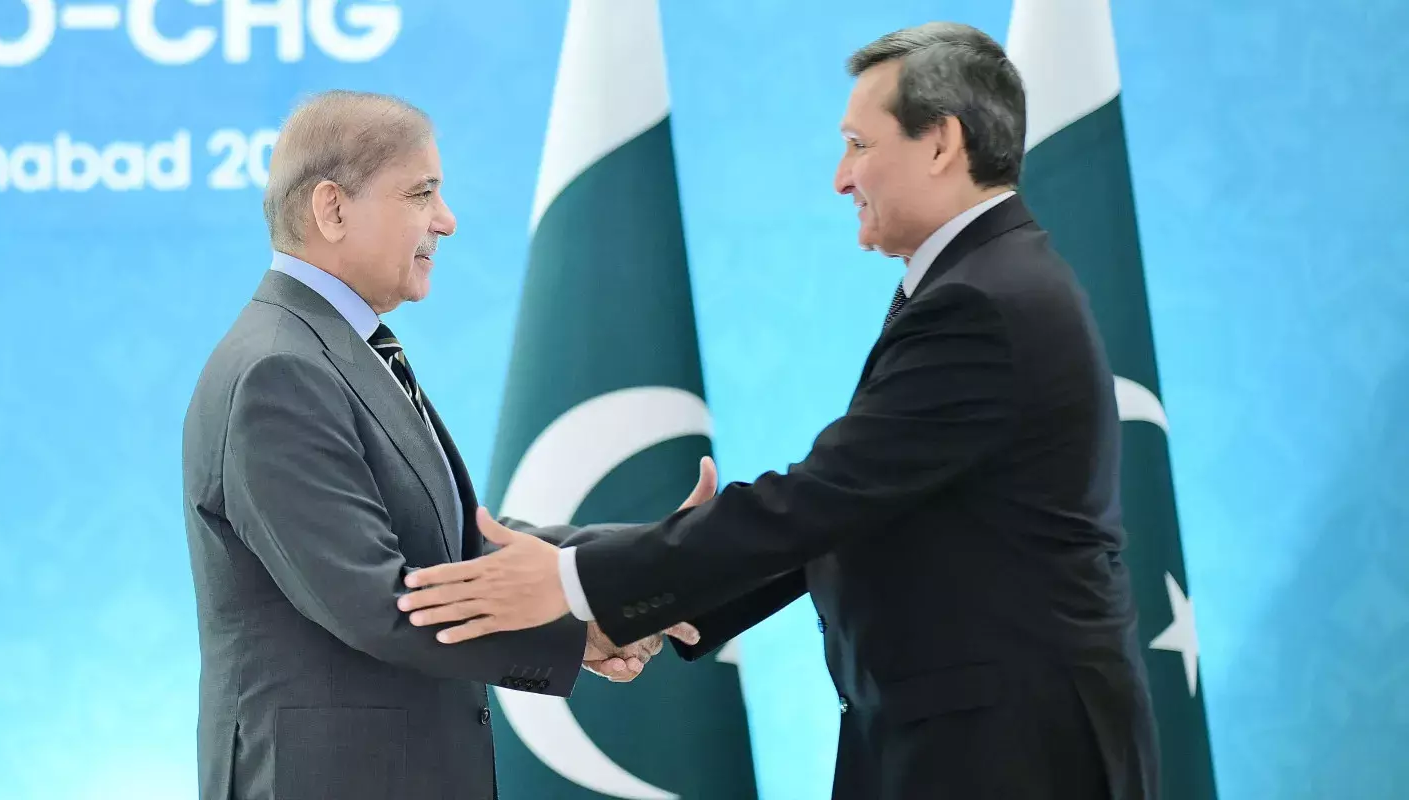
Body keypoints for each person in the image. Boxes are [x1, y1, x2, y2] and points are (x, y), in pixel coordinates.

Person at [397, 23, 1162, 800]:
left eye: (858, 145)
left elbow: (824, 500)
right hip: (962, 736)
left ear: (941, 143)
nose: (841, 178)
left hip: (1008, 753)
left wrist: (574, 582)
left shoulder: (982, 303)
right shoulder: (980, 281)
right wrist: (674, 592)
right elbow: (860, 510)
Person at [180, 90, 700, 800]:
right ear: (332, 209)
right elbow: (381, 601)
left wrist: (651, 556)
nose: (446, 221)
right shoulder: (281, 371)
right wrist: (581, 630)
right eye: (421, 193)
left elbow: (459, 545)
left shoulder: (336, 349)